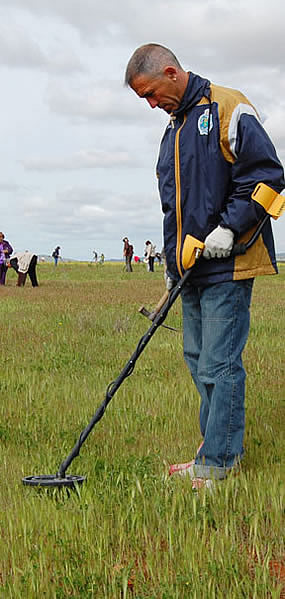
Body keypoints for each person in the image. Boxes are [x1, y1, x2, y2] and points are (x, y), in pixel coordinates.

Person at [125, 43, 285, 490]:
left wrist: (230, 230)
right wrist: (170, 260)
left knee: (219, 363)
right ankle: (212, 447)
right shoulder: (173, 130)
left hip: (229, 263)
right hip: (190, 268)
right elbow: (174, 206)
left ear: (172, 73)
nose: (152, 105)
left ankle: (218, 463)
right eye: (145, 100)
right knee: (197, 360)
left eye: (152, 94)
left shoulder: (228, 106)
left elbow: (269, 176)